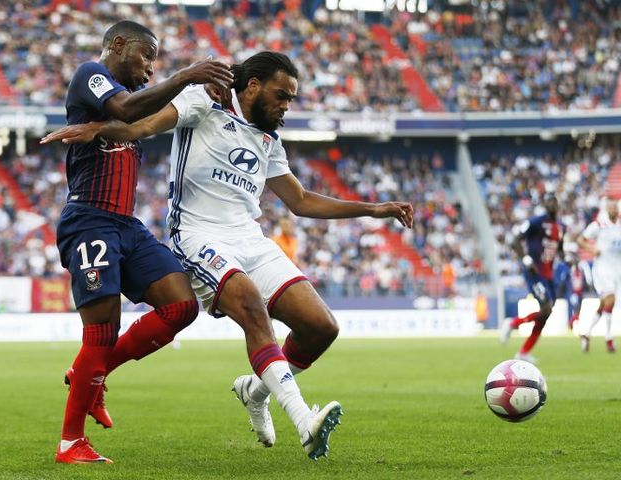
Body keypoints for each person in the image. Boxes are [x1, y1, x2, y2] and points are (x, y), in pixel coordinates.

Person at [42, 51, 414, 459]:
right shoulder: (204, 100)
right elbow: (145, 124)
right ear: (252, 86)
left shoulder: (269, 138)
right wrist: (98, 129)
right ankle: (304, 419)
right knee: (252, 306)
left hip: (250, 239)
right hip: (198, 235)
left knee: (321, 327)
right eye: (281, 95)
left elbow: (302, 200)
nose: (286, 105)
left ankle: (255, 391)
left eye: (290, 98)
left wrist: (372, 209)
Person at [51, 20, 233, 464]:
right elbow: (128, 110)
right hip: (89, 219)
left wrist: (198, 97)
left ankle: (89, 374)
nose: (151, 68)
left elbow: (141, 120)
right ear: (117, 44)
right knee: (102, 329)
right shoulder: (90, 74)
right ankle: (70, 442)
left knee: (181, 306)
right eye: (146, 56)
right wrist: (187, 75)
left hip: (126, 225)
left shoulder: (133, 99)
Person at [499, 194, 565, 363]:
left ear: (558, 205)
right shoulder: (535, 222)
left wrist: (567, 258)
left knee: (545, 315)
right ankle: (513, 323)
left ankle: (523, 352)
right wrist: (525, 258)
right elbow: (515, 240)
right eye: (548, 202)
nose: (551, 205)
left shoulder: (560, 227)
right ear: (544, 205)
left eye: (554, 202)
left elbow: (560, 250)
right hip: (534, 272)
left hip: (549, 276)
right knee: (546, 309)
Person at [576, 197, 621, 353]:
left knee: (606, 304)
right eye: (610, 206)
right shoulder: (598, 225)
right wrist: (591, 249)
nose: (613, 209)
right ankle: (609, 339)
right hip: (602, 269)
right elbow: (580, 240)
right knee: (611, 299)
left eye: (615, 206)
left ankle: (586, 333)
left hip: (617, 270)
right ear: (607, 209)